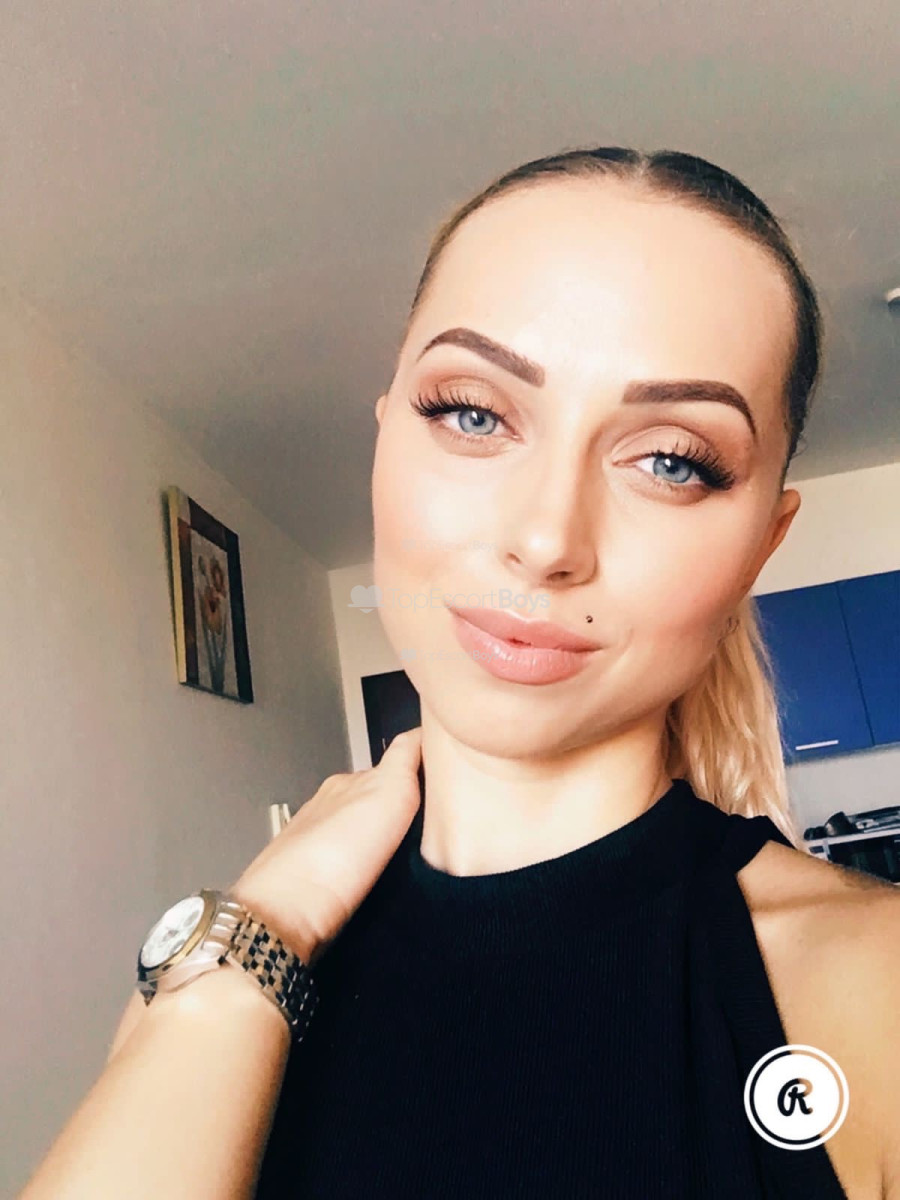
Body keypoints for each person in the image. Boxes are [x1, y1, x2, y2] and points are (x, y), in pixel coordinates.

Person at [19, 147, 900, 1200]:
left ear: (764, 542)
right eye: (473, 414)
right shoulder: (227, 968)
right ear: (387, 438)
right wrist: (266, 923)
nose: (545, 538)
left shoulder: (876, 984)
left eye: (673, 460)